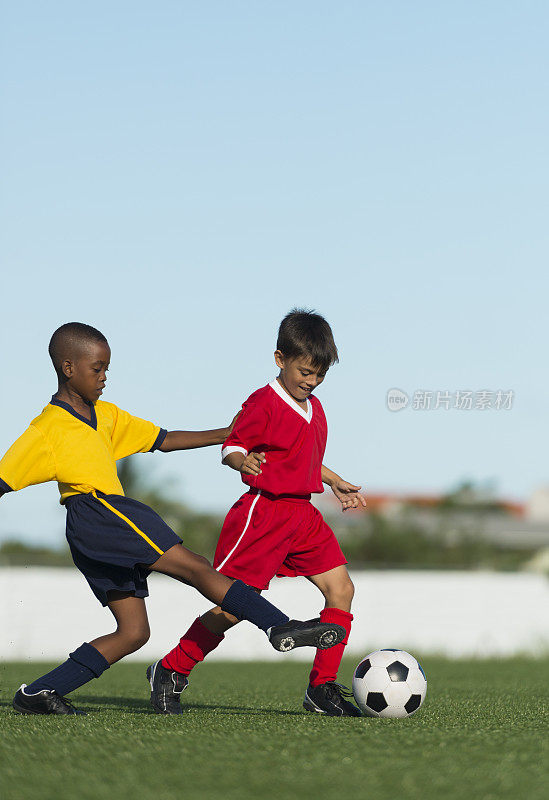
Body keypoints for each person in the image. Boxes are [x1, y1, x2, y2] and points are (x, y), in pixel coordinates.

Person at [0, 322, 345, 716]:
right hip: (99, 512)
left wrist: (225, 433)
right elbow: (4, 477)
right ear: (68, 367)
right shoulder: (46, 429)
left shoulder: (106, 416)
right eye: (97, 369)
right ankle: (278, 626)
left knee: (133, 633)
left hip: (95, 528)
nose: (105, 378)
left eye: (107, 369)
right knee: (195, 566)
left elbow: (163, 439)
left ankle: (40, 692)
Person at [152, 309, 366, 717]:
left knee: (342, 590)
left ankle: (321, 689)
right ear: (279, 358)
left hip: (303, 516)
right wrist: (241, 463)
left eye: (319, 375)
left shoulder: (316, 408)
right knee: (232, 607)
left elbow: (302, 460)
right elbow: (232, 446)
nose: (311, 381)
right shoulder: (262, 402)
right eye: (305, 371)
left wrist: (334, 480)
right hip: (263, 514)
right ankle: (170, 669)